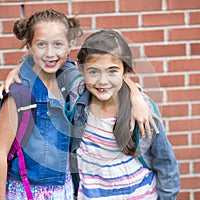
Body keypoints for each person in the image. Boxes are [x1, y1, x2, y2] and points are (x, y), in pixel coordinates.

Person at [0, 9, 161, 200]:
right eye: (41, 45)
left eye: (57, 44)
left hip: (67, 188)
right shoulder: (19, 94)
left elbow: (109, 77)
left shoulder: (71, 79)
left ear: (70, 44)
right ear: (29, 46)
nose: (50, 53)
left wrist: (136, 96)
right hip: (29, 190)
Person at [71, 30, 180, 199]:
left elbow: (165, 162)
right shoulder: (76, 102)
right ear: (81, 70)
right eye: (93, 71)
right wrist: (18, 71)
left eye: (112, 71)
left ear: (125, 71)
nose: (102, 80)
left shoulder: (142, 111)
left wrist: (136, 96)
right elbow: (48, 64)